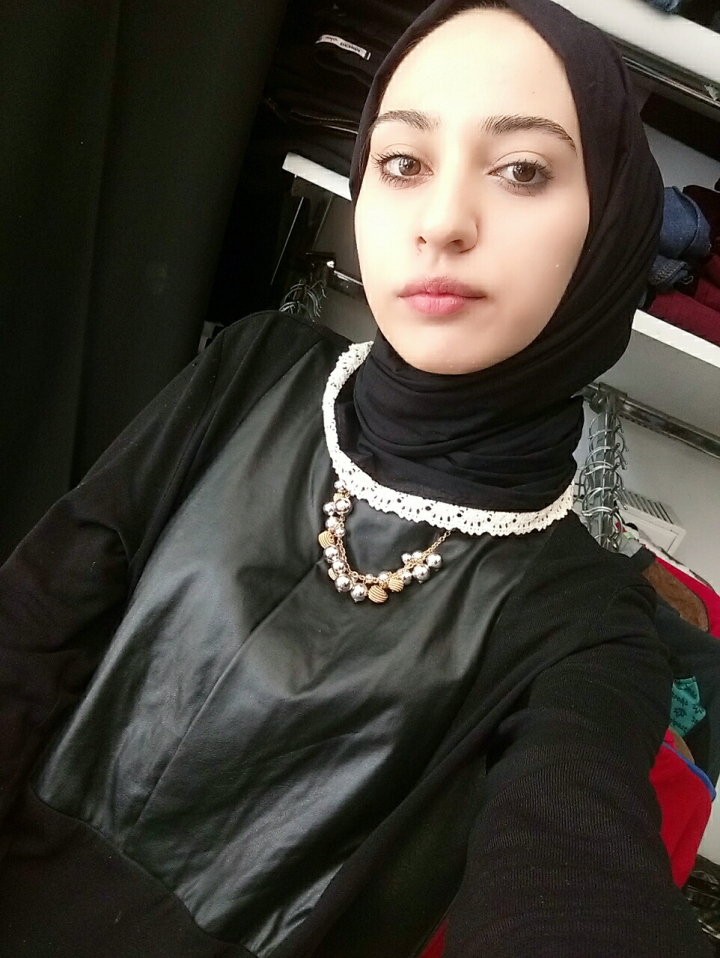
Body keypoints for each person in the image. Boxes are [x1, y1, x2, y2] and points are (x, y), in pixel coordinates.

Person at [0, 1, 713, 955]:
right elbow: (34, 621)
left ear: (612, 223)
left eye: (521, 171)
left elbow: (573, 870)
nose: (443, 222)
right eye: (403, 162)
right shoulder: (254, 368)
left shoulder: (589, 627)